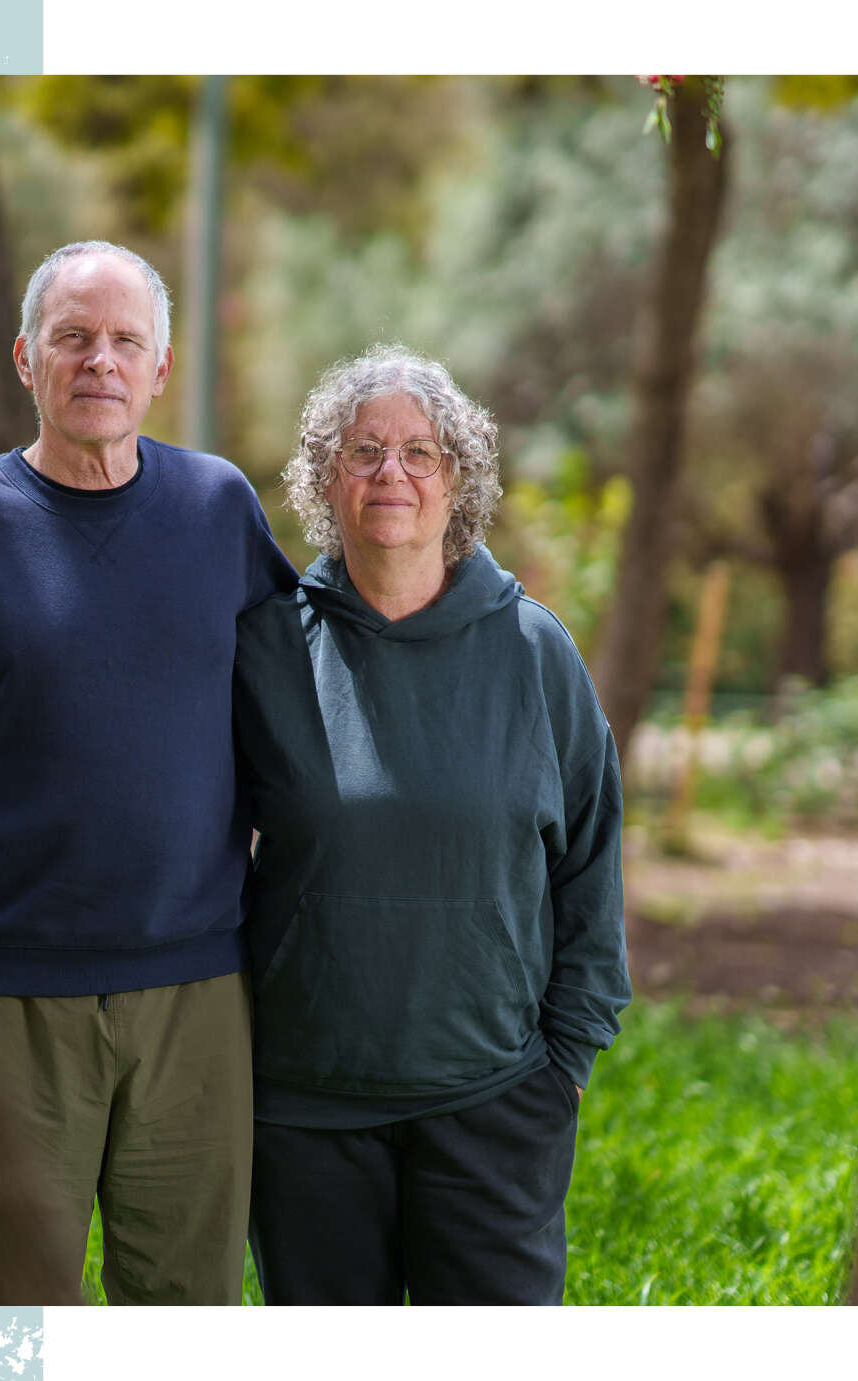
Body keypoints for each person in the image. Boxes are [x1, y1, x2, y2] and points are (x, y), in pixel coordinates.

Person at [0, 241, 297, 1304]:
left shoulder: (219, 511)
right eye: (73, 337)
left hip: (194, 990)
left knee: (184, 1311)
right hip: (1, 994)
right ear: (24, 358)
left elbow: (292, 721)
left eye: (124, 341)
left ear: (161, 367)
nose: (99, 360)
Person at [232, 344, 630, 1305]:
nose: (391, 474)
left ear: (460, 478)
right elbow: (171, 815)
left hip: (494, 1103)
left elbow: (590, 863)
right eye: (364, 450)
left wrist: (563, 1068)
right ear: (326, 477)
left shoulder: (535, 651)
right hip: (305, 1113)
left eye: (420, 452)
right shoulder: (267, 648)